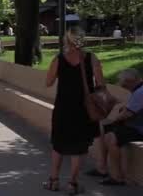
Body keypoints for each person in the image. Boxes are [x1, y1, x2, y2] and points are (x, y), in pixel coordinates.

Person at [43, 27, 103, 194]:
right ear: (82, 39)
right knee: (80, 147)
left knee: (58, 145)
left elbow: (48, 82)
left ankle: (53, 181)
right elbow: (100, 84)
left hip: (63, 108)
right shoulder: (92, 58)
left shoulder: (59, 59)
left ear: (66, 40)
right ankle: (72, 184)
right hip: (85, 109)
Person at [88, 68, 143, 186]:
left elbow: (128, 114)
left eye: (123, 83)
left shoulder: (140, 92)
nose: (122, 85)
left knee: (111, 137)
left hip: (139, 128)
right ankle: (102, 167)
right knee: (104, 128)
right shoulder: (138, 90)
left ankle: (117, 176)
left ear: (130, 81)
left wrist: (113, 120)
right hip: (135, 125)